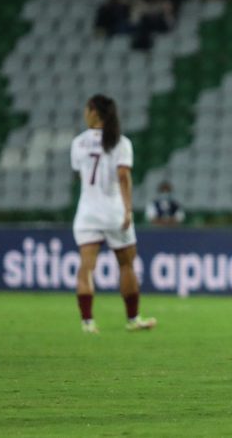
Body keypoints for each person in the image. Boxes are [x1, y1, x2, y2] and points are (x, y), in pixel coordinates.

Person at [71, 94, 156, 334]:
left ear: (94, 112)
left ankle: (87, 322)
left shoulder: (78, 142)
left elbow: (81, 176)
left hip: (87, 212)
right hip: (114, 212)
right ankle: (133, 318)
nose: (85, 114)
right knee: (126, 265)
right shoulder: (121, 142)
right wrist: (128, 209)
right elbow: (123, 177)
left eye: (87, 109)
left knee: (86, 267)